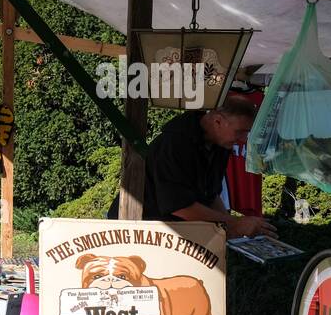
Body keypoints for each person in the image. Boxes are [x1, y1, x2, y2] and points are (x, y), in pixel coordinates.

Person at [108, 93, 276, 237]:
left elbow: (211, 195)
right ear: (218, 121)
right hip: (139, 230)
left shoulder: (220, 145)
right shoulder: (176, 143)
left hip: (170, 230)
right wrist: (233, 223)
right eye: (240, 131)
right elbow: (179, 206)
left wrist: (228, 230)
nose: (244, 139)